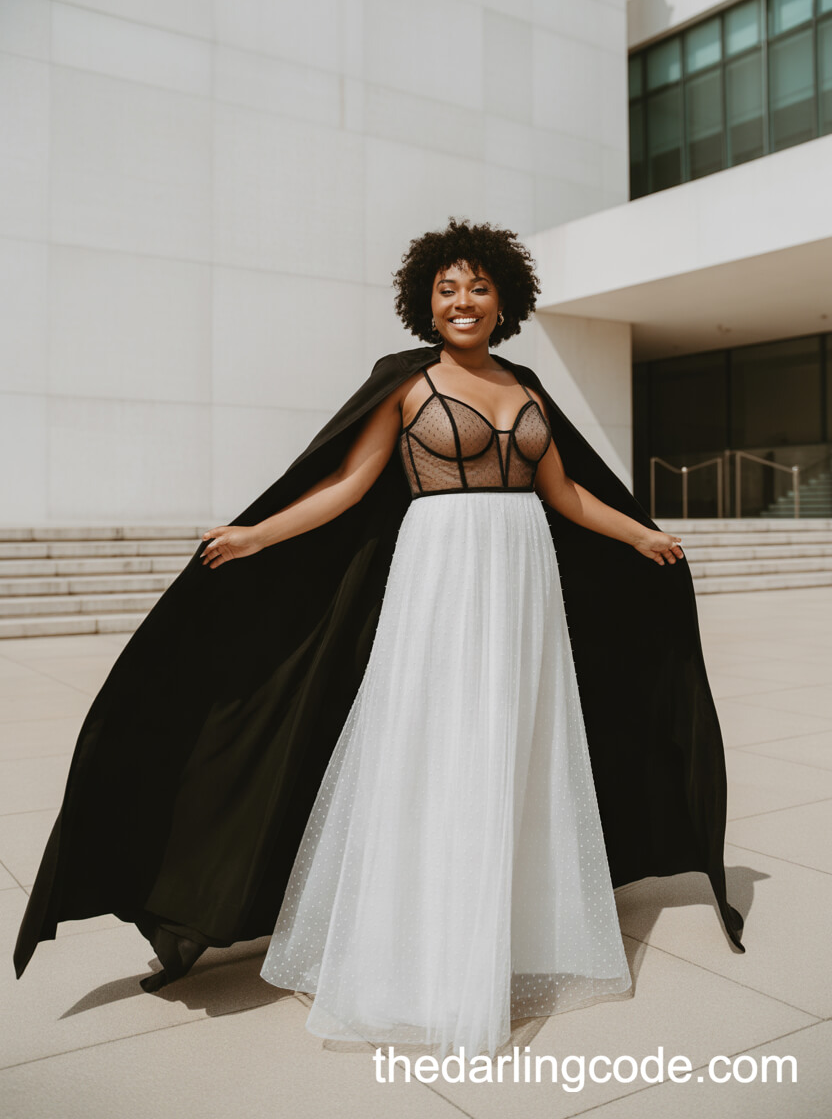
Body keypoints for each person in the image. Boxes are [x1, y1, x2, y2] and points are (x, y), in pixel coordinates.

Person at [13, 218, 743, 1059]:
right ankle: (419, 951)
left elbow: (566, 493)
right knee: (434, 749)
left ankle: (506, 933)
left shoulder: (530, 388)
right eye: (447, 288)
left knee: (512, 748)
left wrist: (639, 536)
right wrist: (258, 536)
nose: (462, 301)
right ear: (424, 302)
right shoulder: (406, 385)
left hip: (521, 581)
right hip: (440, 576)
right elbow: (350, 485)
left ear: (504, 298)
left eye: (477, 287)